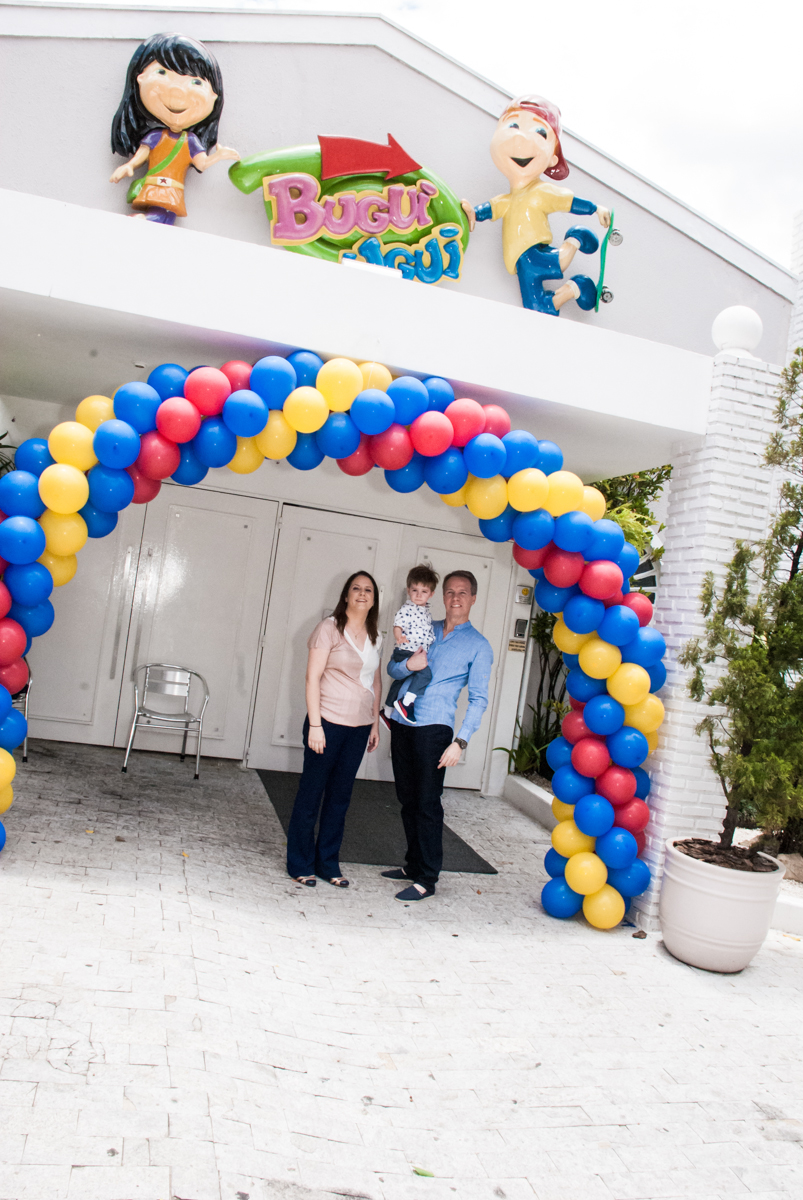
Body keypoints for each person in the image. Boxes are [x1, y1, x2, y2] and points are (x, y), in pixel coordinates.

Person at [383, 570, 493, 903]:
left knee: (428, 804)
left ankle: (427, 878)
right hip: (404, 721)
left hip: (435, 730)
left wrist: (460, 742)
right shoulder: (423, 627)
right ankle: (412, 864)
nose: (455, 598)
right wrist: (409, 667)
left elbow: (478, 699)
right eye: (449, 592)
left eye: (462, 592)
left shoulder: (479, 645)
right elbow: (393, 668)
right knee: (406, 799)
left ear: (473, 598)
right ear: (440, 596)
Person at [461, 95, 610, 315]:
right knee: (536, 307)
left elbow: (568, 202)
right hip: (518, 260)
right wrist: (470, 213)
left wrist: (596, 209)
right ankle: (575, 289)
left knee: (558, 262)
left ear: (552, 159)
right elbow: (490, 209)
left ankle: (576, 238)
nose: (521, 137)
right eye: (513, 125)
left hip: (530, 251)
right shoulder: (508, 200)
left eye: (540, 132)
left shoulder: (541, 191)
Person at [286, 571, 382, 888]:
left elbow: (376, 680)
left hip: (358, 728)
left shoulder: (376, 635)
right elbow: (312, 677)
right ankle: (300, 863)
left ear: (374, 599)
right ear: (345, 596)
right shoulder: (328, 628)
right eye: (356, 588)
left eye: (368, 589)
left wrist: (374, 723)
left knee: (340, 799)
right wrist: (315, 725)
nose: (362, 593)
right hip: (326, 723)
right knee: (311, 796)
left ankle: (328, 864)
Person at [110, 32, 239, 224]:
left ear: (214, 96)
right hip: (155, 186)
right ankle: (143, 219)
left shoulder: (190, 142)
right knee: (165, 216)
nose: (177, 91)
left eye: (196, 82)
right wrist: (128, 166)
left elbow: (201, 163)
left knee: (167, 215)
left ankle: (144, 220)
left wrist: (219, 156)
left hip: (172, 190)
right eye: (162, 73)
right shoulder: (155, 136)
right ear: (140, 78)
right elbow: (141, 157)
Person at [383, 563, 439, 726]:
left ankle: (386, 710)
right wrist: (398, 637)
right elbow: (397, 624)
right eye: (415, 590)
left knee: (400, 681)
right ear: (408, 590)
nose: (419, 595)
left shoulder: (425, 611)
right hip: (406, 650)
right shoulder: (407, 609)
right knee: (425, 674)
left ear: (431, 594)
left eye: (424, 591)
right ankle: (407, 702)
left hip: (412, 651)